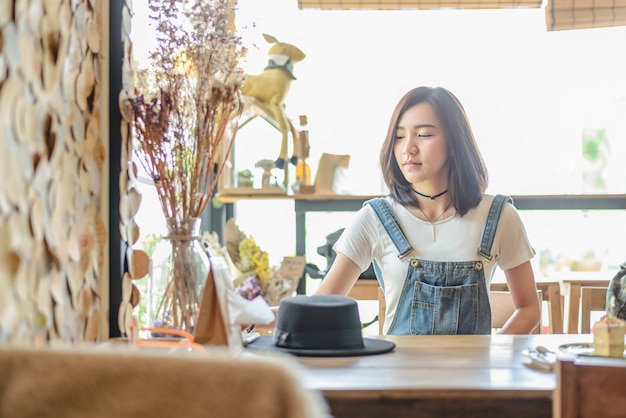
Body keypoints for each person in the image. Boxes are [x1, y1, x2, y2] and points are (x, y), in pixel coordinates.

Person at [312, 86, 540, 335]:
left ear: (454, 142)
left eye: (423, 134)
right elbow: (319, 307)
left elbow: (529, 309)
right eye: (399, 136)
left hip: (473, 374)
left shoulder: (499, 216)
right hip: (397, 372)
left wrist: (491, 358)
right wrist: (264, 315)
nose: (408, 148)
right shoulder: (375, 217)